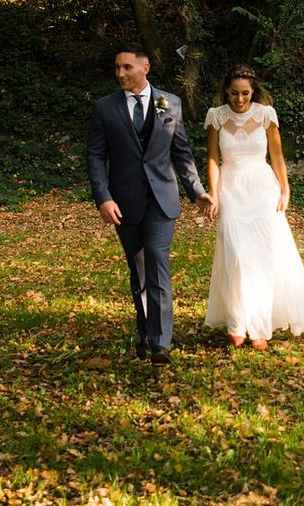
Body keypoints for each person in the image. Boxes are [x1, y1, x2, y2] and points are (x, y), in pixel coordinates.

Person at [87, 41, 213, 366]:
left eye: (126, 67)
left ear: (145, 68)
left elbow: (181, 152)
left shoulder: (168, 102)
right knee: (139, 268)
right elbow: (96, 156)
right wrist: (103, 197)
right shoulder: (105, 107)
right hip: (124, 203)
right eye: (117, 68)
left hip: (161, 200)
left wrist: (197, 191)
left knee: (157, 263)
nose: (120, 73)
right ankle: (145, 332)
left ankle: (161, 343)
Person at [202, 65, 304, 350]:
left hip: (261, 189)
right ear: (226, 91)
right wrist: (213, 193)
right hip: (230, 188)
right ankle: (236, 321)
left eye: (245, 93)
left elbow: (277, 156)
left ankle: (258, 326)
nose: (240, 99)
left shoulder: (266, 115)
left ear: (253, 91)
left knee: (262, 258)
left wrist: (285, 189)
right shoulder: (216, 116)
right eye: (234, 93)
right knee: (236, 255)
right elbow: (212, 158)